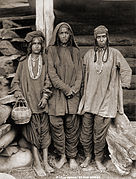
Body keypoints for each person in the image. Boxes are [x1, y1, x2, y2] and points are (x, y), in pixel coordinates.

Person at [78, 25, 132, 172]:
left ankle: (98, 159)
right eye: (98, 37)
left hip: (107, 101)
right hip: (89, 99)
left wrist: (123, 85)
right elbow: (81, 75)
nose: (101, 39)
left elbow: (126, 70)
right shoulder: (89, 55)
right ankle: (88, 157)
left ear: (107, 37)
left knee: (99, 134)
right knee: (85, 133)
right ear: (95, 39)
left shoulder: (115, 54)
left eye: (103, 36)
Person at [10, 31, 54, 176]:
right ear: (30, 45)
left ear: (42, 45)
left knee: (45, 134)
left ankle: (46, 162)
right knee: (34, 135)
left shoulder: (46, 61)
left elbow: (49, 80)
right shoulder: (23, 63)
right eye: (33, 43)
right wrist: (20, 96)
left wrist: (45, 96)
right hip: (30, 105)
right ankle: (37, 162)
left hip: (43, 104)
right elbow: (15, 83)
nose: (36, 46)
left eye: (39, 44)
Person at [47, 22, 82, 169]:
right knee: (56, 126)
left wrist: (73, 89)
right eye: (61, 33)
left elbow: (80, 74)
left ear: (70, 35)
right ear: (57, 35)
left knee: (72, 126)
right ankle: (62, 156)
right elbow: (52, 74)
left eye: (66, 33)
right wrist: (66, 89)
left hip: (73, 95)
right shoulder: (51, 50)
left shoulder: (75, 51)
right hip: (57, 94)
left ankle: (72, 156)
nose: (64, 36)